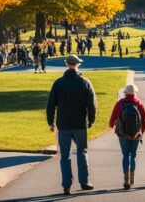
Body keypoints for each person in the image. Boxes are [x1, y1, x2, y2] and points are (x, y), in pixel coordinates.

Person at [47, 55, 97, 195]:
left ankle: (67, 185)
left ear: (66, 64)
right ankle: (84, 182)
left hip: (63, 124)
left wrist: (50, 121)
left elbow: (51, 105)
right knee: (82, 151)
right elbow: (92, 104)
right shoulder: (85, 82)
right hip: (79, 123)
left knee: (65, 155)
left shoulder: (58, 83)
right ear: (77, 65)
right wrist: (91, 119)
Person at [108, 84, 145, 190]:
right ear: (135, 92)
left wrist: (112, 125)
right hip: (136, 134)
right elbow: (144, 119)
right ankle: (132, 178)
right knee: (133, 155)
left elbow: (112, 119)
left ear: (125, 93)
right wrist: (141, 132)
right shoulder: (139, 103)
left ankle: (126, 179)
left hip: (123, 134)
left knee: (125, 155)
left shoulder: (120, 103)